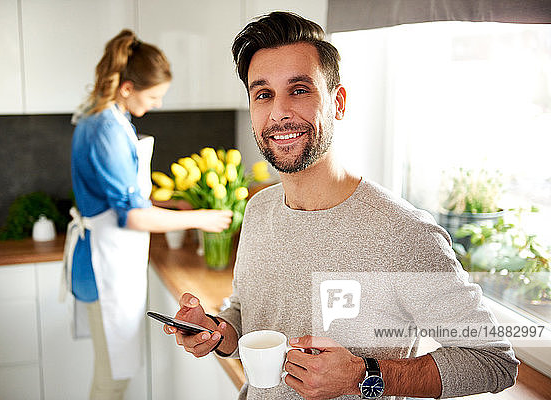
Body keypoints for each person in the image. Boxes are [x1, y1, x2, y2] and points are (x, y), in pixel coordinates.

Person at [164, 12, 519, 400]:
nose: (279, 112)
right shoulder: (259, 209)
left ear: (338, 103)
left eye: (299, 90)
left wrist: (363, 376)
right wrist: (216, 331)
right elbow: (248, 316)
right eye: (263, 94)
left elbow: (493, 360)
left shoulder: (402, 233)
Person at [63, 29, 232, 399]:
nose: (156, 104)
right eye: (153, 96)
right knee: (112, 378)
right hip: (104, 263)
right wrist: (200, 218)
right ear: (126, 87)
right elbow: (133, 216)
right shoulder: (105, 127)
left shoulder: (108, 117)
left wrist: (173, 205)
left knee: (113, 371)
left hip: (109, 256)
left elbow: (121, 192)